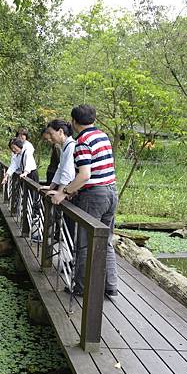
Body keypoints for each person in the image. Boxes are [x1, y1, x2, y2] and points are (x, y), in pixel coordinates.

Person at [47, 105, 118, 297]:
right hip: (112, 192)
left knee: (85, 243)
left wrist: (65, 192)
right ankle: (110, 286)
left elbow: (85, 175)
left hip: (94, 196)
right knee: (106, 241)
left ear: (74, 122)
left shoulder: (82, 141)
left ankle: (81, 287)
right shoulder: (103, 136)